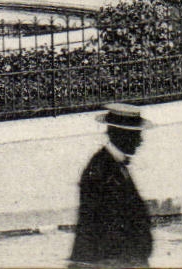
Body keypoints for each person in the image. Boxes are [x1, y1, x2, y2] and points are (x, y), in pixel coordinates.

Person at [69, 103, 154, 267]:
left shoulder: (113, 165)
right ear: (121, 135)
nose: (140, 141)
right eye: (136, 134)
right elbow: (108, 227)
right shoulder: (102, 169)